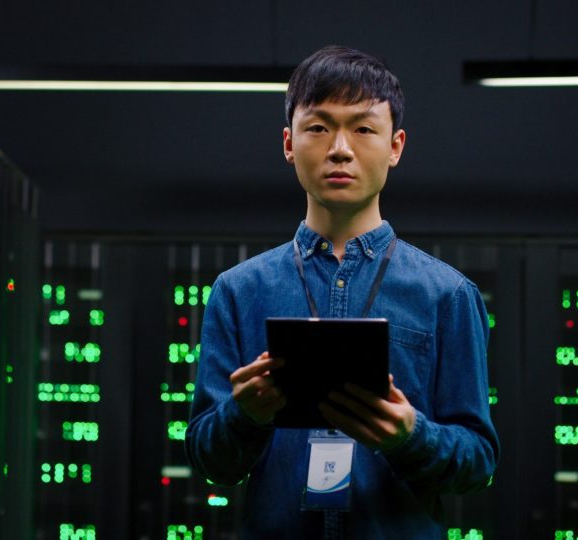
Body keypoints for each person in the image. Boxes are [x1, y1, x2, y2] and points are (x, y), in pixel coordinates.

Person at [185, 45, 499, 539]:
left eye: (363, 128)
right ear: (289, 143)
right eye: (318, 127)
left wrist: (409, 435)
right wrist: (244, 415)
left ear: (395, 146)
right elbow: (209, 460)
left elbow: (478, 463)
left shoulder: (448, 295)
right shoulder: (238, 290)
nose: (340, 148)